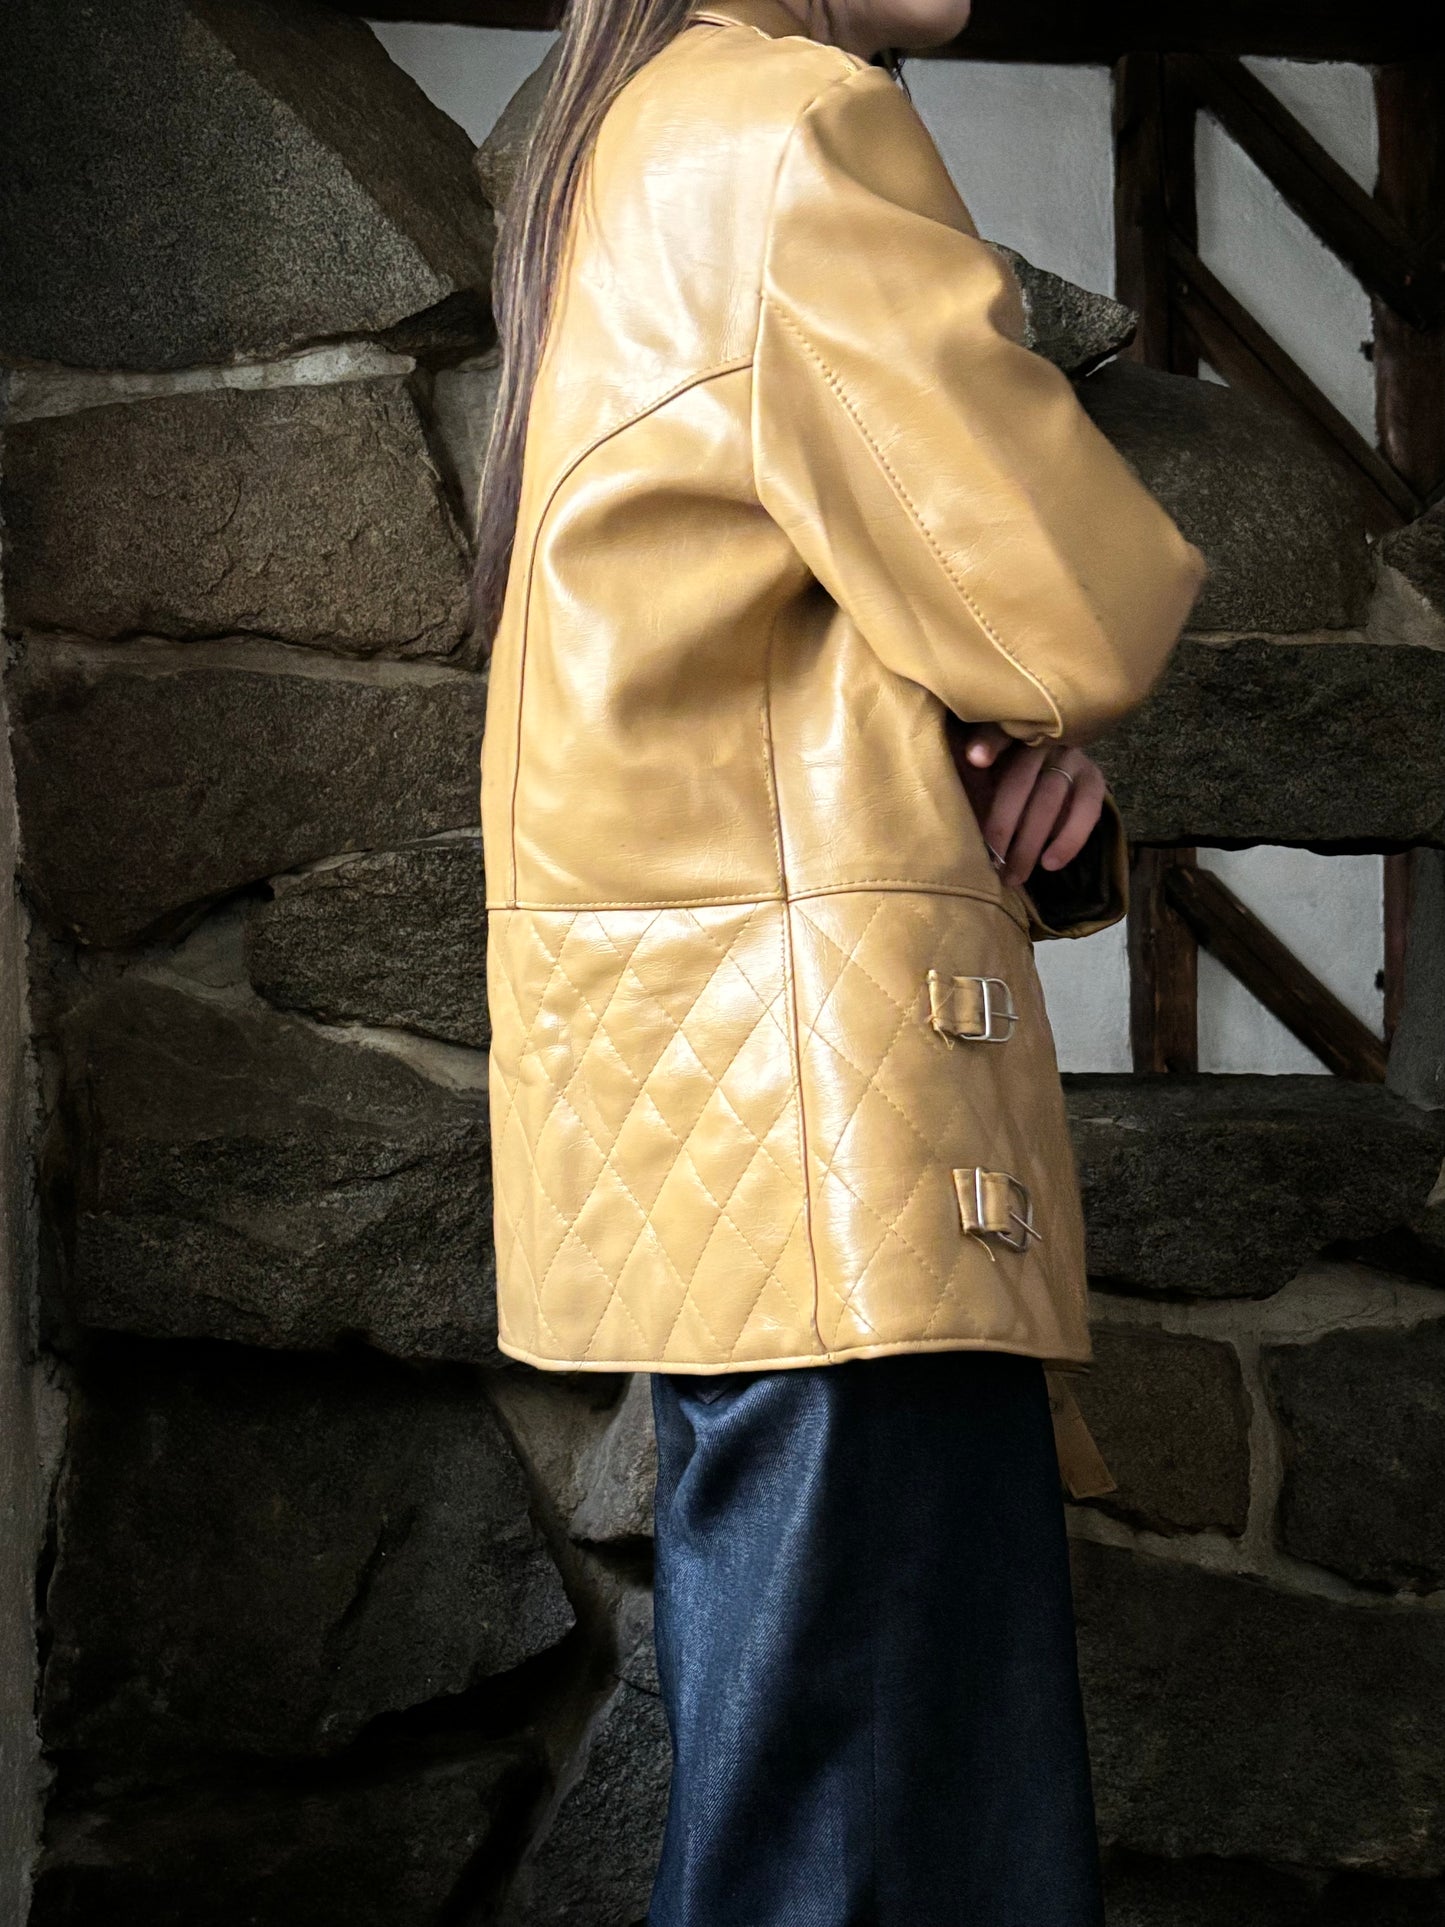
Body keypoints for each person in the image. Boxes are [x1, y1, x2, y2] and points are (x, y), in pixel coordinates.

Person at [473, 0, 1206, 1919]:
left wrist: (977, 710)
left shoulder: (636, 137)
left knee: (837, 1832)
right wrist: (1022, 690)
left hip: (743, 1137)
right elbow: (1069, 604)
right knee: (867, 1860)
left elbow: (785, 630)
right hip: (837, 1157)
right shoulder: (792, 129)